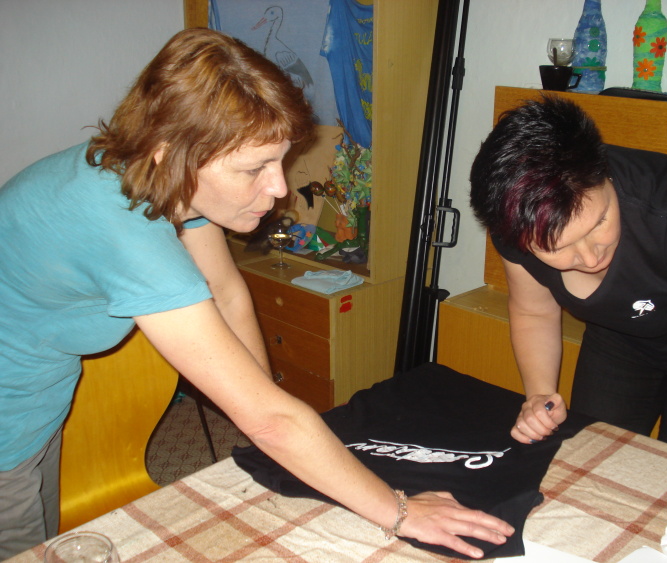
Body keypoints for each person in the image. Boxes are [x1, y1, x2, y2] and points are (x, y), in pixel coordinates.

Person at [0, 29, 514, 559]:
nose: (279, 188)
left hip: (38, 399)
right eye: (254, 169)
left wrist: (262, 410)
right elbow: (272, 421)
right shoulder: (124, 232)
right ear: (170, 154)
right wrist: (400, 511)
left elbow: (227, 293)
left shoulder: (162, 180)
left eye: (280, 161)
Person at [469, 95, 667, 466]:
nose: (590, 259)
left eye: (599, 222)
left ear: (605, 172)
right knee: (589, 469)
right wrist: (539, 394)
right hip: (618, 340)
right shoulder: (516, 220)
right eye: (558, 248)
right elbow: (534, 311)